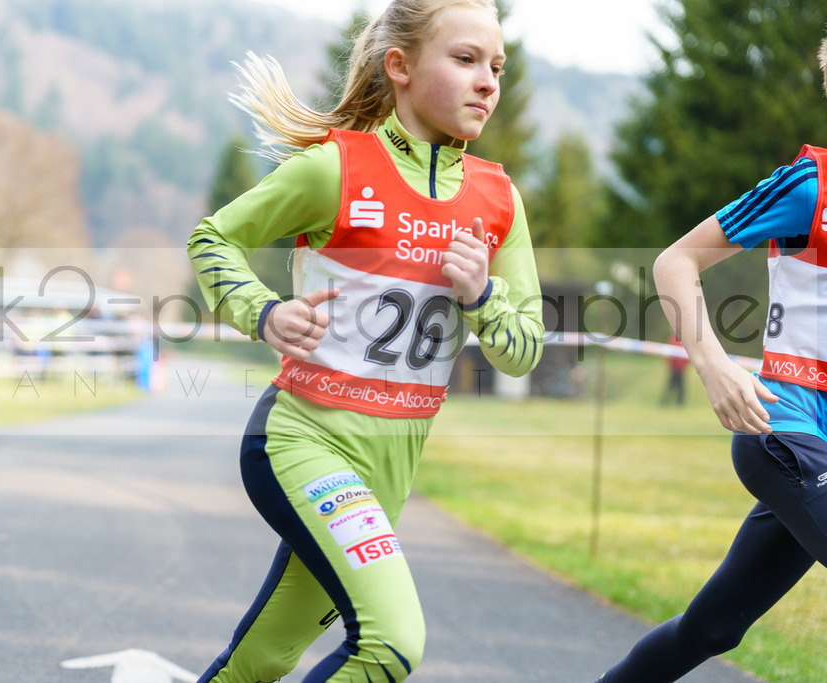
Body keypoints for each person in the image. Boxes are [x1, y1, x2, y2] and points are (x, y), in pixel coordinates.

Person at [186, 1, 543, 680]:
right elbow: (214, 238)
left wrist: (484, 296)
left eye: (497, 66)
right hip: (301, 441)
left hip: (388, 472)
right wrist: (264, 312)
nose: (489, 82)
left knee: (264, 656)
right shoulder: (336, 169)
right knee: (392, 642)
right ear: (401, 67)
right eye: (465, 60)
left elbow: (522, 350)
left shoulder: (498, 201)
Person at [595, 31, 827, 683]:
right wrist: (714, 362)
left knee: (714, 627)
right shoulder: (811, 184)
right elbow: (676, 261)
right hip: (785, 424)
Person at [661, 335, 688, 406]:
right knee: (671, 386)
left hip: (680, 369)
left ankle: (679, 402)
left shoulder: (684, 341)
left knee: (679, 387)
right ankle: (665, 401)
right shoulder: (673, 340)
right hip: (674, 369)